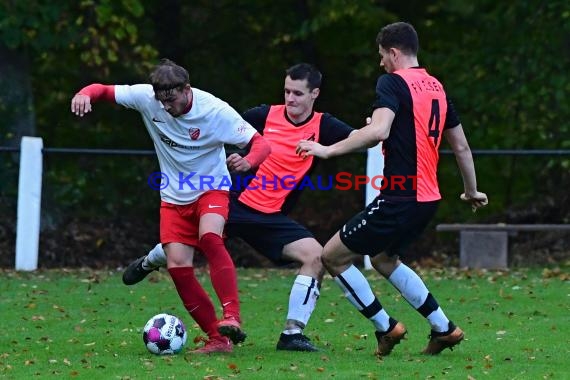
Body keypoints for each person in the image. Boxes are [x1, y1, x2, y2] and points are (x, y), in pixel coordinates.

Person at [122, 63, 356, 351]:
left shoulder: (325, 125)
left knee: (316, 256)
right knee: (190, 243)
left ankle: (292, 334)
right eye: (286, 91)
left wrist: (375, 130)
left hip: (269, 216)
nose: (290, 99)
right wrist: (241, 159)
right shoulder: (262, 115)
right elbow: (220, 127)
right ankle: (150, 261)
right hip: (233, 200)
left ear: (314, 94)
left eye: (297, 93)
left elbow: (360, 138)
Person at [296, 22, 488, 356]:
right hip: (428, 199)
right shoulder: (437, 88)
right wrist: (471, 191)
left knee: (331, 256)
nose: (381, 63)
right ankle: (444, 328)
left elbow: (379, 131)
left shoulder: (392, 82)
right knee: (384, 258)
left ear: (394, 52)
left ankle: (386, 327)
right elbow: (461, 147)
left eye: (382, 55)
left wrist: (328, 149)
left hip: (401, 196)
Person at [70, 58, 271, 354]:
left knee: (210, 238)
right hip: (173, 198)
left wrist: (248, 161)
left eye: (172, 100)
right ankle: (218, 339)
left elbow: (262, 145)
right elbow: (103, 89)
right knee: (178, 266)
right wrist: (84, 93)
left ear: (187, 89)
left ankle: (233, 316)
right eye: (161, 101)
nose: (166, 107)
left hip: (211, 189)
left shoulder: (215, 111)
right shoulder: (148, 98)